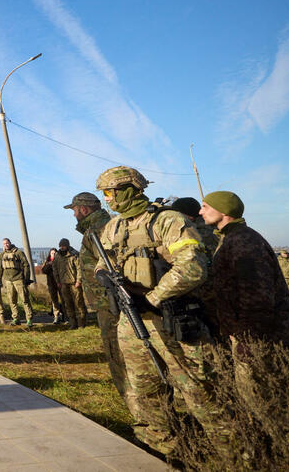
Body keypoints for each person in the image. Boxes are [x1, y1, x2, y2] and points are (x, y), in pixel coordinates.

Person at [96, 166, 228, 455]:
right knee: (144, 390)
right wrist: (103, 276)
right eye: (104, 194)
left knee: (198, 390)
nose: (107, 199)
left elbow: (193, 267)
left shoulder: (168, 221)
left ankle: (232, 451)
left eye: (110, 192)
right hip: (132, 321)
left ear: (129, 189)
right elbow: (102, 261)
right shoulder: (114, 227)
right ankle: (162, 448)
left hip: (172, 317)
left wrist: (153, 297)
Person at [199, 192, 289, 353]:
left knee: (262, 377)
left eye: (205, 207)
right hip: (247, 334)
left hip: (262, 337)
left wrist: (248, 337)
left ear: (224, 210)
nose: (201, 212)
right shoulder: (229, 238)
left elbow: (256, 295)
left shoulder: (244, 241)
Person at [64, 191, 129, 407]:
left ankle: (132, 402)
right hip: (108, 302)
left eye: (74, 210)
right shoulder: (102, 226)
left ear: (83, 209)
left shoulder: (98, 230)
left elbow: (111, 266)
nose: (74, 215)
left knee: (117, 352)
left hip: (111, 304)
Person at [0, 238, 33, 327]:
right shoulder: (2, 254)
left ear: (10, 242)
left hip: (18, 279)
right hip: (8, 280)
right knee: (12, 300)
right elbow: (0, 268)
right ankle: (16, 318)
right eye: (4, 244)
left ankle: (29, 319)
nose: (6, 245)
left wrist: (26, 278)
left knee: (25, 299)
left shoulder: (18, 253)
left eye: (7, 243)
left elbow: (26, 265)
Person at [54, 238, 86, 329]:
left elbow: (80, 268)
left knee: (78, 303)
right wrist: (58, 281)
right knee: (68, 304)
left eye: (63, 245)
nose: (61, 247)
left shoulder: (74, 254)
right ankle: (73, 323)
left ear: (67, 245)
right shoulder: (57, 256)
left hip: (74, 283)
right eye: (60, 246)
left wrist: (79, 281)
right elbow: (55, 268)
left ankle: (81, 323)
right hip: (63, 284)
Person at [41, 249, 63, 323]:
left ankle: (65, 315)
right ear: (50, 254)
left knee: (64, 299)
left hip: (60, 283)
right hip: (51, 284)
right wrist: (49, 264)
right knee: (54, 300)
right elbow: (43, 271)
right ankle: (56, 316)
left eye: (55, 253)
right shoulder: (47, 262)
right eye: (52, 253)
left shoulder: (61, 261)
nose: (53, 254)